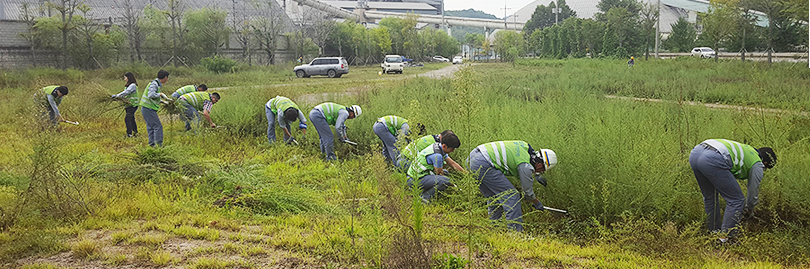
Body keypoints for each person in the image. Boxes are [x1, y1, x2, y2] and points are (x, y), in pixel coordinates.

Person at [689, 139, 776, 243]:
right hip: (713, 158)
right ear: (765, 163)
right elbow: (753, 191)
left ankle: (713, 233)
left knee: (710, 197)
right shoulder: (758, 164)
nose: (763, 170)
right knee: (737, 200)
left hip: (696, 152)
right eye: (765, 168)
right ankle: (726, 239)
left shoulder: (747, 149)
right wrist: (749, 209)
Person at [469, 141, 557, 232]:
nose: (540, 172)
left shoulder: (525, 147)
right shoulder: (525, 166)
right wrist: (536, 202)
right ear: (540, 164)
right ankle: (515, 233)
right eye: (542, 169)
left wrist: (535, 175)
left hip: (473, 158)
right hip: (484, 163)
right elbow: (527, 192)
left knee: (494, 197)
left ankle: (493, 229)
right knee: (512, 196)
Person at [405, 133, 465, 203]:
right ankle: (424, 197)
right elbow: (440, 175)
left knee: (446, 173)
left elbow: (452, 163)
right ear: (445, 146)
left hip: (417, 175)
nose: (453, 151)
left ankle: (421, 189)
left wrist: (466, 174)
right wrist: (454, 186)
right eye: (452, 149)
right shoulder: (437, 155)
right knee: (445, 181)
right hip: (414, 180)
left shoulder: (437, 146)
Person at [140, 70, 170, 147]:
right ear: (165, 77)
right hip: (148, 108)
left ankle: (152, 145)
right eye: (167, 78)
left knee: (151, 127)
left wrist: (162, 101)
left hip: (146, 108)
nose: (167, 80)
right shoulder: (154, 84)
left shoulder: (156, 84)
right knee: (157, 126)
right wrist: (160, 94)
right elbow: (151, 95)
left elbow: (153, 98)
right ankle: (158, 145)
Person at [111, 72, 139, 137]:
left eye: (125, 77)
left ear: (128, 77)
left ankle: (129, 134)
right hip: (129, 105)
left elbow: (126, 92)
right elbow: (125, 94)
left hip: (132, 105)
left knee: (127, 119)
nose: (125, 79)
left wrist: (117, 96)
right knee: (131, 118)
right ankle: (135, 132)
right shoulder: (129, 85)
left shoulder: (132, 85)